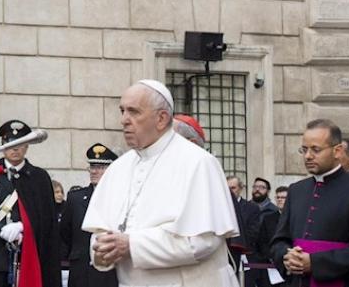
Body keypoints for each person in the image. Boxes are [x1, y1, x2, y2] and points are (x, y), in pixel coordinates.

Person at [82, 80, 239, 286]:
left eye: (134, 112)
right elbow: (100, 232)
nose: (124, 120)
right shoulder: (118, 168)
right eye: (122, 111)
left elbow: (203, 241)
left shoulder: (198, 163)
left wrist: (132, 244)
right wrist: (103, 251)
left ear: (161, 118)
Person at [270, 119, 349, 285]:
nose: (308, 156)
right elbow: (279, 240)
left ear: (337, 151)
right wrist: (287, 257)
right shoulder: (296, 190)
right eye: (304, 149)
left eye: (316, 149)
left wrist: (315, 263)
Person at [0, 119, 60, 287]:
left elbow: (47, 218)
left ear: (27, 146)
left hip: (28, 254)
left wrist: (22, 226)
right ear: (3, 145)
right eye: (11, 143)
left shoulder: (39, 177)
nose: (16, 148)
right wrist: (0, 230)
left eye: (21, 144)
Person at [60, 143, 119, 287]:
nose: (94, 171)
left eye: (100, 167)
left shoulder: (119, 199)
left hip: (109, 271)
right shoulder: (75, 198)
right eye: (92, 167)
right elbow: (64, 234)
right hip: (81, 271)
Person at [224, 176, 261, 271]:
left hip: (244, 255)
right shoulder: (221, 207)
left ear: (240, 189)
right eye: (227, 188)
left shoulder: (252, 208)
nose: (230, 191)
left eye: (233, 188)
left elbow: (253, 232)